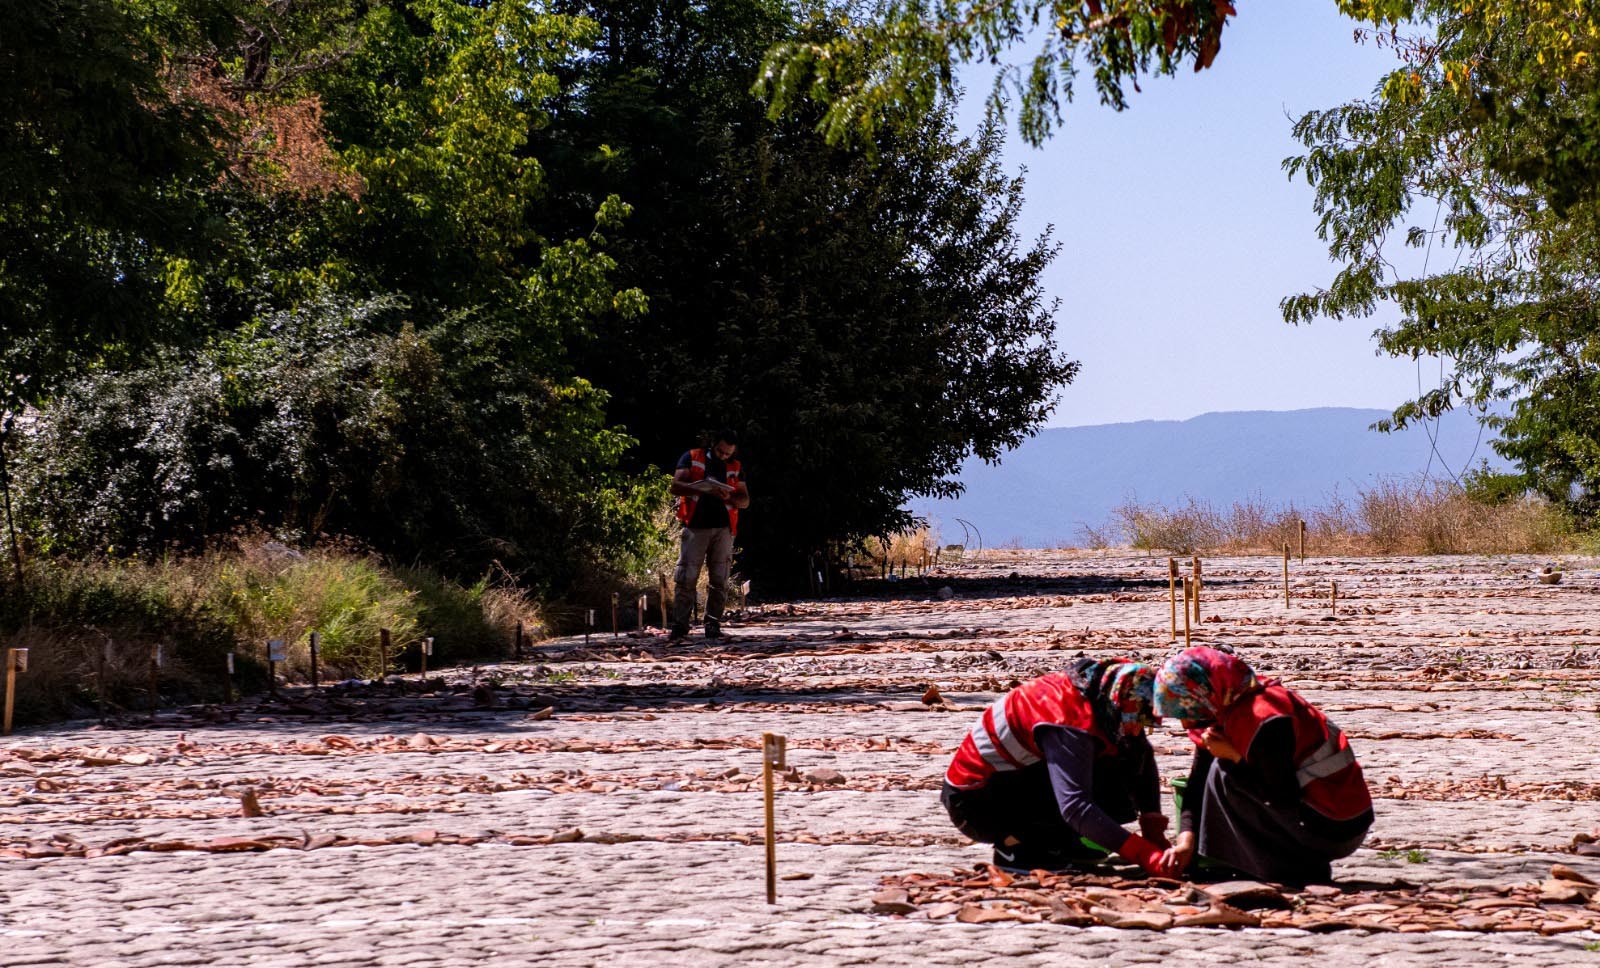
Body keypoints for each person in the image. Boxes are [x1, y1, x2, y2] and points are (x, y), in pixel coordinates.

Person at [940, 658, 1182, 876]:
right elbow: (1075, 805)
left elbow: (1139, 751)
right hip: (976, 804)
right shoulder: (1067, 718)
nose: (1136, 729)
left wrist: (1153, 829)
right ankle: (1017, 847)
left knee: (1122, 768)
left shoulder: (1106, 691)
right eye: (1134, 721)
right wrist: (1143, 854)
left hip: (1018, 777)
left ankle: (1059, 840)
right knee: (1090, 791)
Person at [1154, 646, 1373, 886]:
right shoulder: (1223, 707)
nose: (1185, 724)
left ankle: (1291, 868)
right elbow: (1197, 784)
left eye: (1187, 711)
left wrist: (1234, 757)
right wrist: (1185, 842)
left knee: (1223, 771)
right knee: (1217, 767)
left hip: (1336, 826)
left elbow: (1282, 795)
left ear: (1206, 694)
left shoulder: (1266, 717)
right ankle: (1267, 862)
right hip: (1312, 817)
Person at [668, 429, 749, 641]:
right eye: (720, 451)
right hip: (695, 526)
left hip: (724, 529)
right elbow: (675, 486)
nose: (723, 456)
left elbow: (744, 501)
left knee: (720, 579)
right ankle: (680, 626)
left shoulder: (735, 466)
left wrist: (727, 497)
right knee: (686, 576)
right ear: (713, 444)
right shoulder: (692, 457)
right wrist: (703, 489)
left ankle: (712, 624)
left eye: (728, 453)